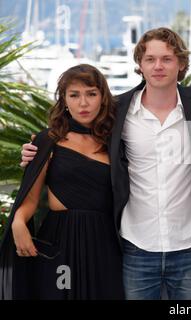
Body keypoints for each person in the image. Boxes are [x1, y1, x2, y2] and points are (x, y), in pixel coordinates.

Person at [19, 28, 191, 300]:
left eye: (167, 58)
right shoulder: (118, 111)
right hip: (136, 246)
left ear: (180, 64)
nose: (158, 66)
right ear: (139, 65)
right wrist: (39, 149)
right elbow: (79, 127)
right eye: (150, 59)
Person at [0, 64, 124, 299]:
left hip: (105, 243)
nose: (83, 103)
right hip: (58, 242)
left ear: (103, 98)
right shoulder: (48, 140)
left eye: (91, 94)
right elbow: (31, 198)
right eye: (74, 95)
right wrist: (18, 221)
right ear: (64, 99)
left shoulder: (115, 142)